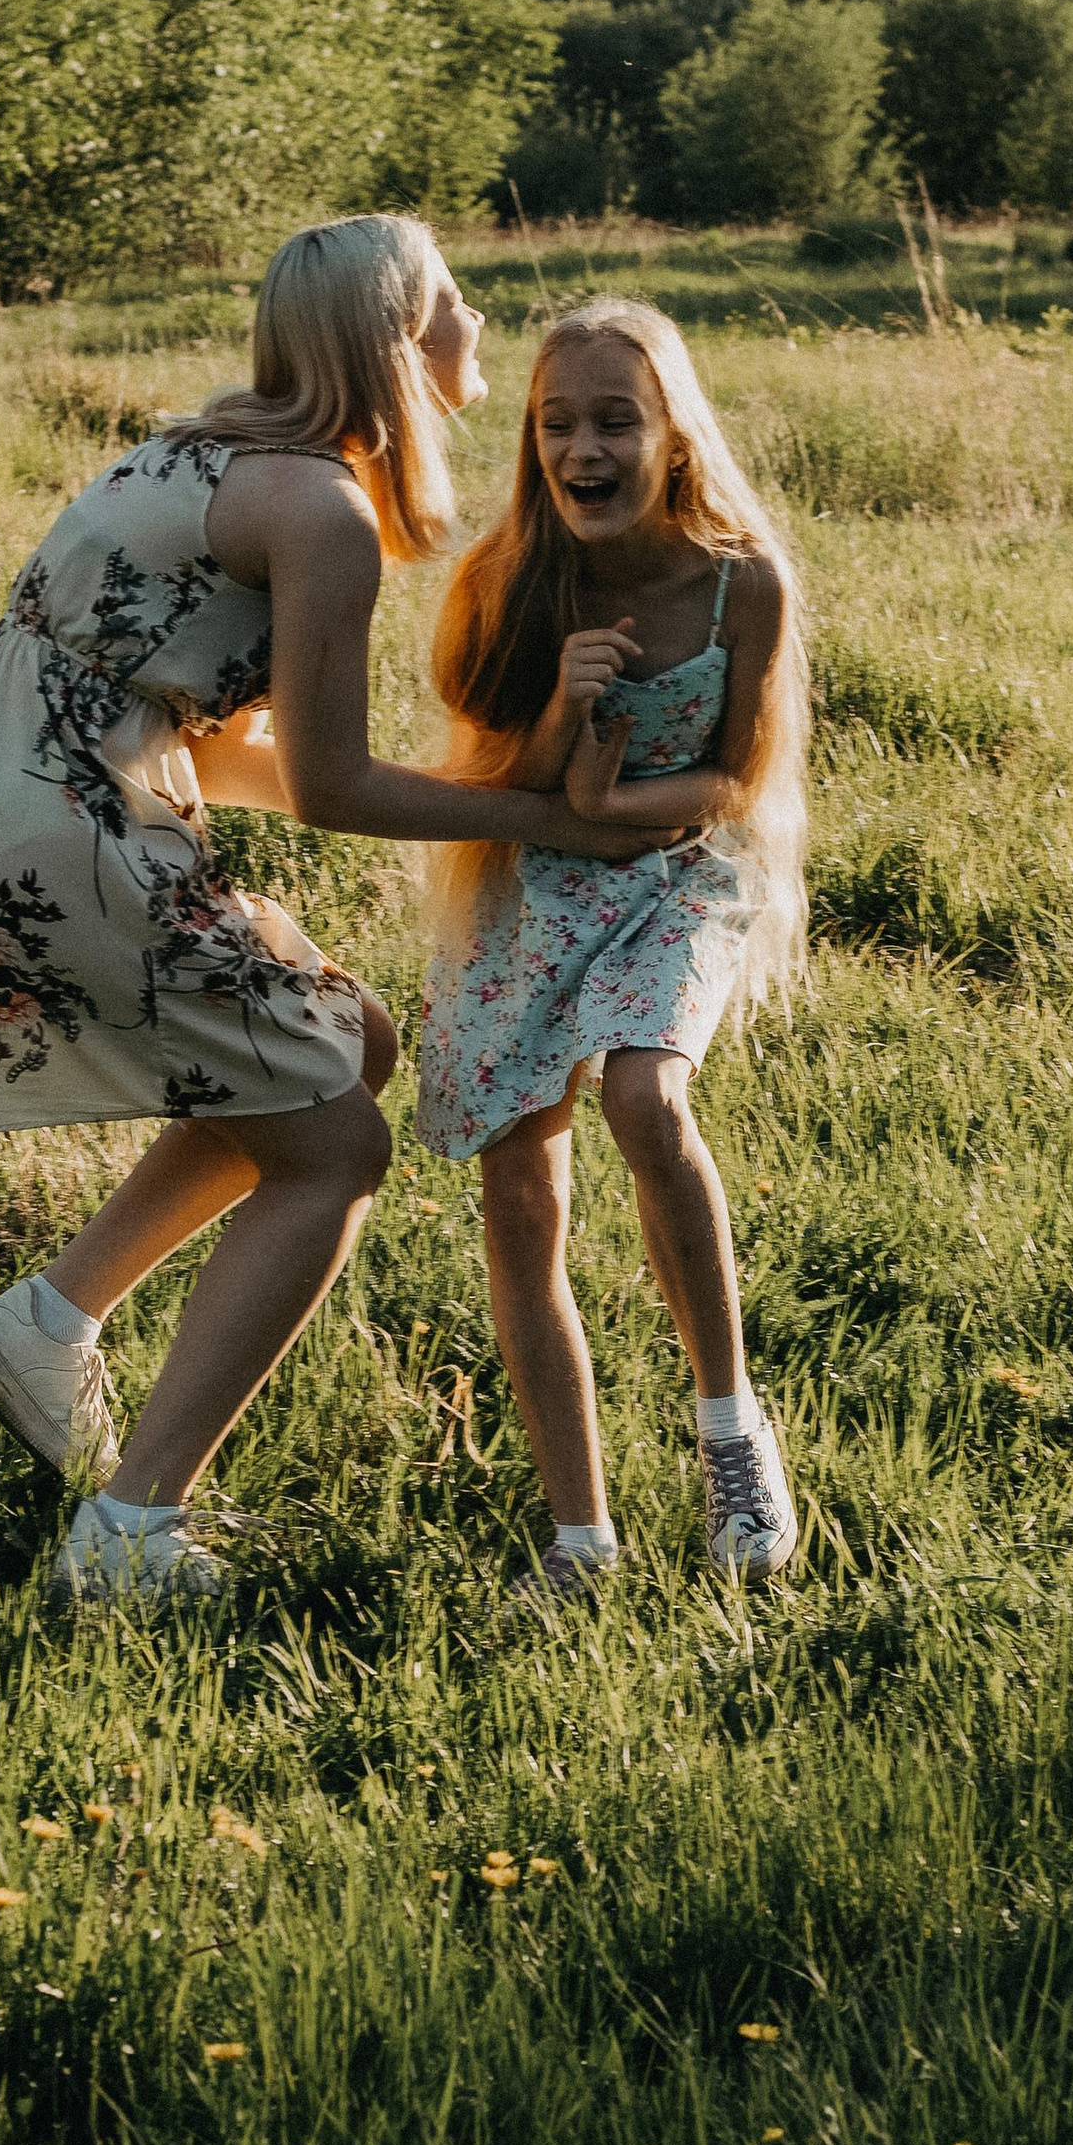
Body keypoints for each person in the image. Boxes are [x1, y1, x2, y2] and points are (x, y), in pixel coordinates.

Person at [0, 215, 683, 1612]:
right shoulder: (317, 511)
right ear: (396, 337)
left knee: (345, 1040)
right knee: (335, 1146)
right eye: (451, 299)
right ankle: (131, 1531)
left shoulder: (199, 451)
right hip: (69, 831)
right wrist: (536, 813)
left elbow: (218, 740)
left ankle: (49, 1318)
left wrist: (468, 782)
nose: (475, 323)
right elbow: (324, 782)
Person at [417, 297, 810, 1592]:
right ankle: (580, 1537)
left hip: (674, 874)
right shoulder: (510, 578)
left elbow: (733, 781)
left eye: (615, 420)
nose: (583, 446)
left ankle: (733, 1433)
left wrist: (602, 805)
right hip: (534, 885)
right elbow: (499, 771)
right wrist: (565, 727)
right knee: (522, 1191)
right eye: (557, 422)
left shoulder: (741, 580)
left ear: (674, 436)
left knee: (648, 1091)